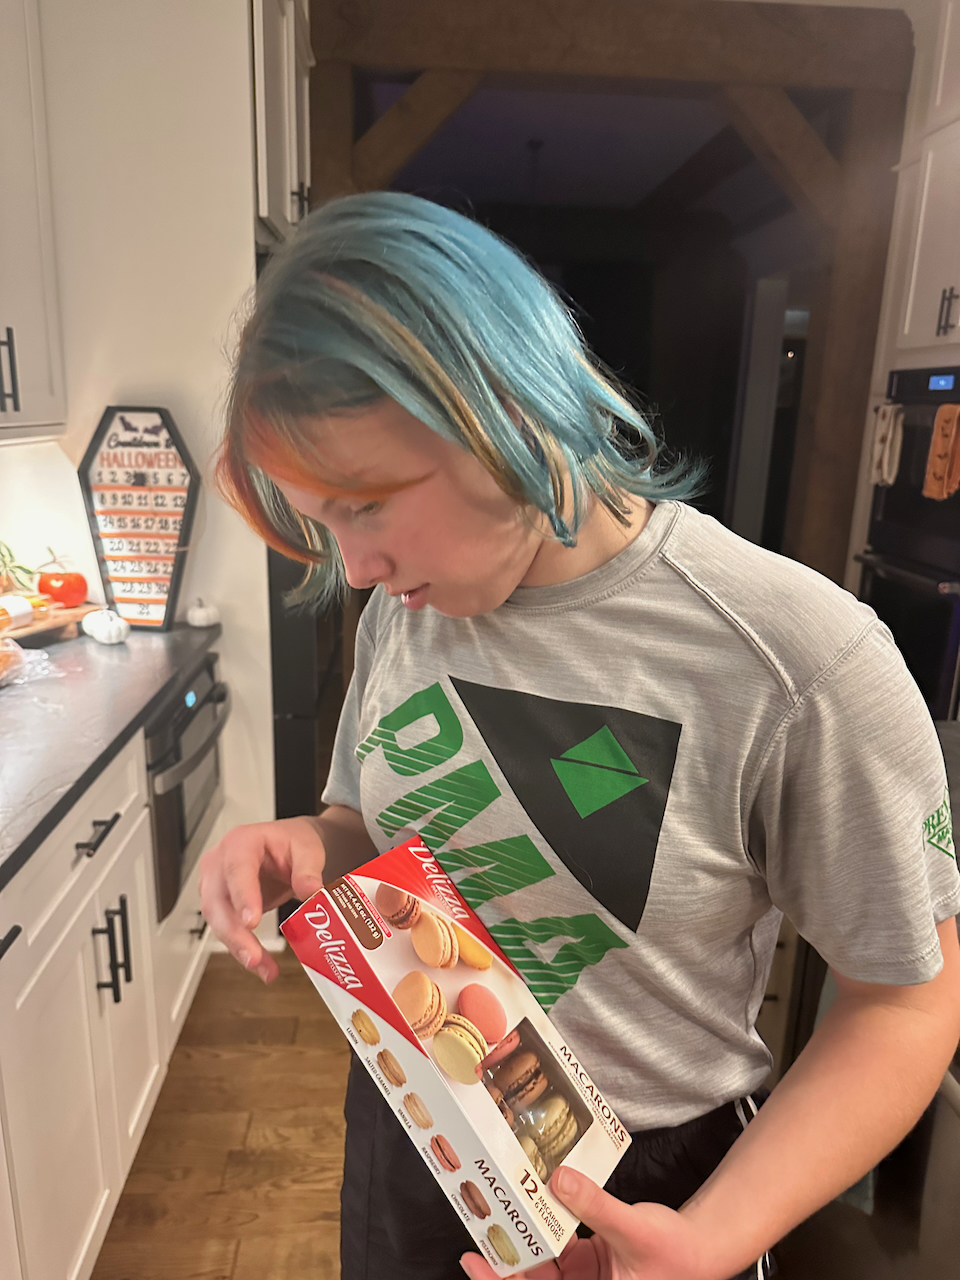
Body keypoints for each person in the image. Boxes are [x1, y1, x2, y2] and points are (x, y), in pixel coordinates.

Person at [200, 191, 960, 1280]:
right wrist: (308, 845)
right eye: (322, 523)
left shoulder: (798, 658)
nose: (355, 568)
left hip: (655, 1187)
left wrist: (712, 1239)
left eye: (365, 504)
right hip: (421, 1124)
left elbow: (906, 1002)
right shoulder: (403, 610)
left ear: (506, 409)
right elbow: (368, 828)